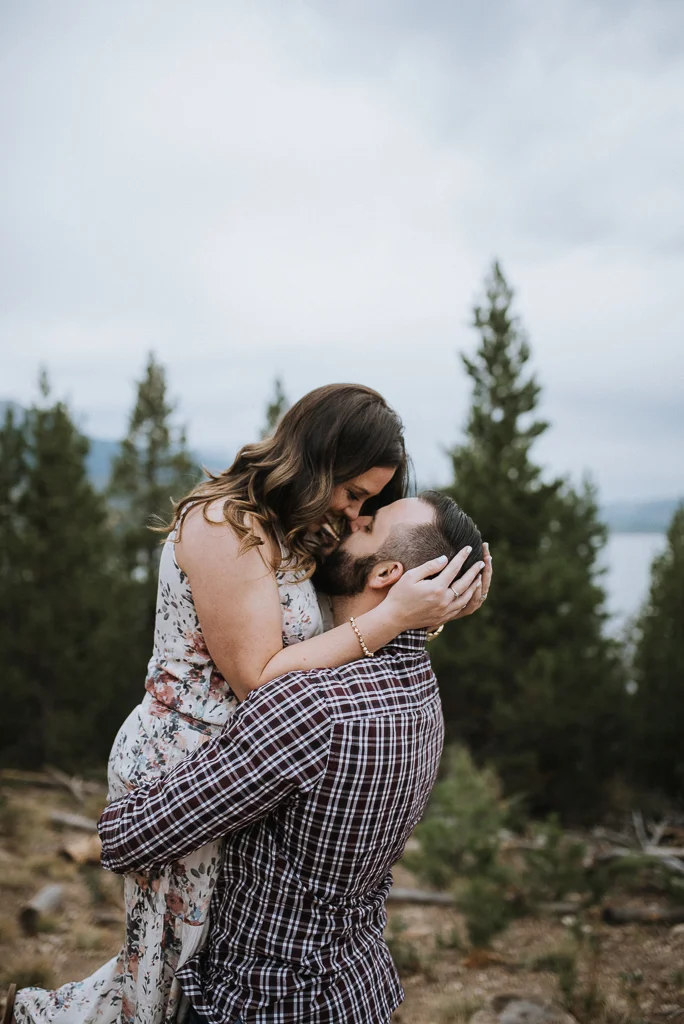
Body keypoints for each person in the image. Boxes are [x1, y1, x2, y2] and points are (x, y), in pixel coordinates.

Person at [12, 386, 490, 1024]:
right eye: (354, 494)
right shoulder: (224, 525)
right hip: (186, 760)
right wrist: (396, 616)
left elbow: (359, 600)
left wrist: (439, 602)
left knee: (187, 967)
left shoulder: (308, 526)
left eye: (368, 506)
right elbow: (262, 679)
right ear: (318, 460)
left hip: (257, 756)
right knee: (165, 970)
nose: (354, 514)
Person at [96, 491, 485, 1024]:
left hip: (263, 1001)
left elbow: (129, 838)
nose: (350, 522)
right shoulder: (421, 692)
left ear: (386, 574)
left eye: (367, 525)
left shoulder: (311, 704)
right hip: (355, 988)